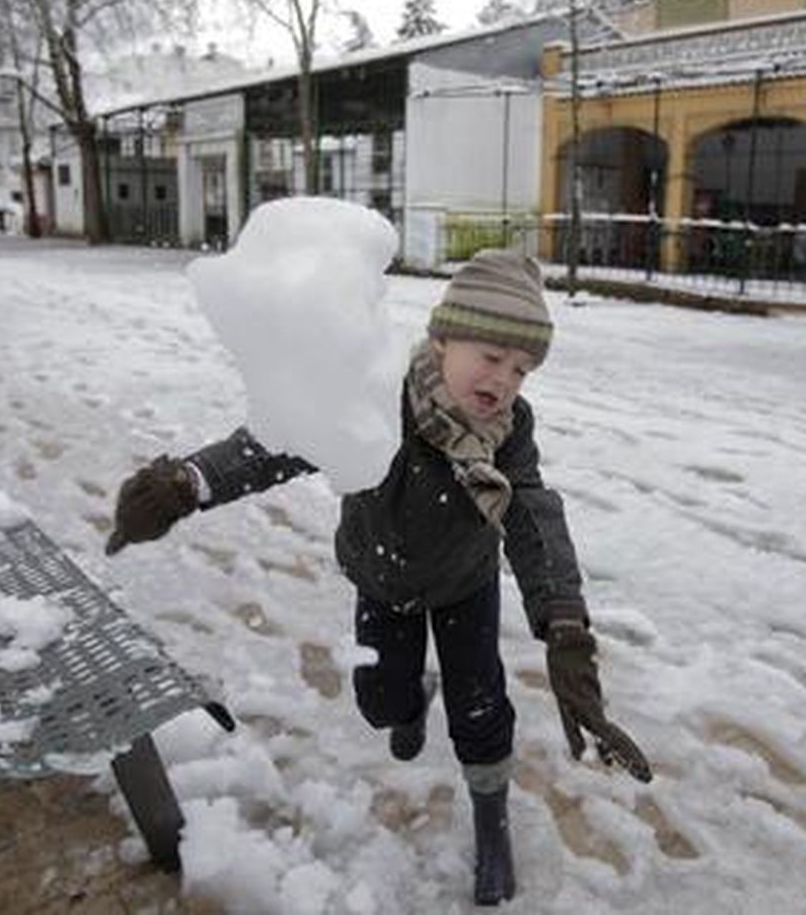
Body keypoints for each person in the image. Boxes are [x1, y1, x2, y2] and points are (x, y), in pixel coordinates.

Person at [105, 249, 650, 906]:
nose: (504, 380)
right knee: (380, 702)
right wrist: (189, 481)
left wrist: (563, 618)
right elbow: (279, 444)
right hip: (382, 579)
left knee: (482, 712)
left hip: (463, 584)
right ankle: (413, 693)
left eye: (521, 369)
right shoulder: (372, 394)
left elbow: (531, 513)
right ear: (444, 337)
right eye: (491, 355)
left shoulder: (508, 431)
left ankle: (491, 821)